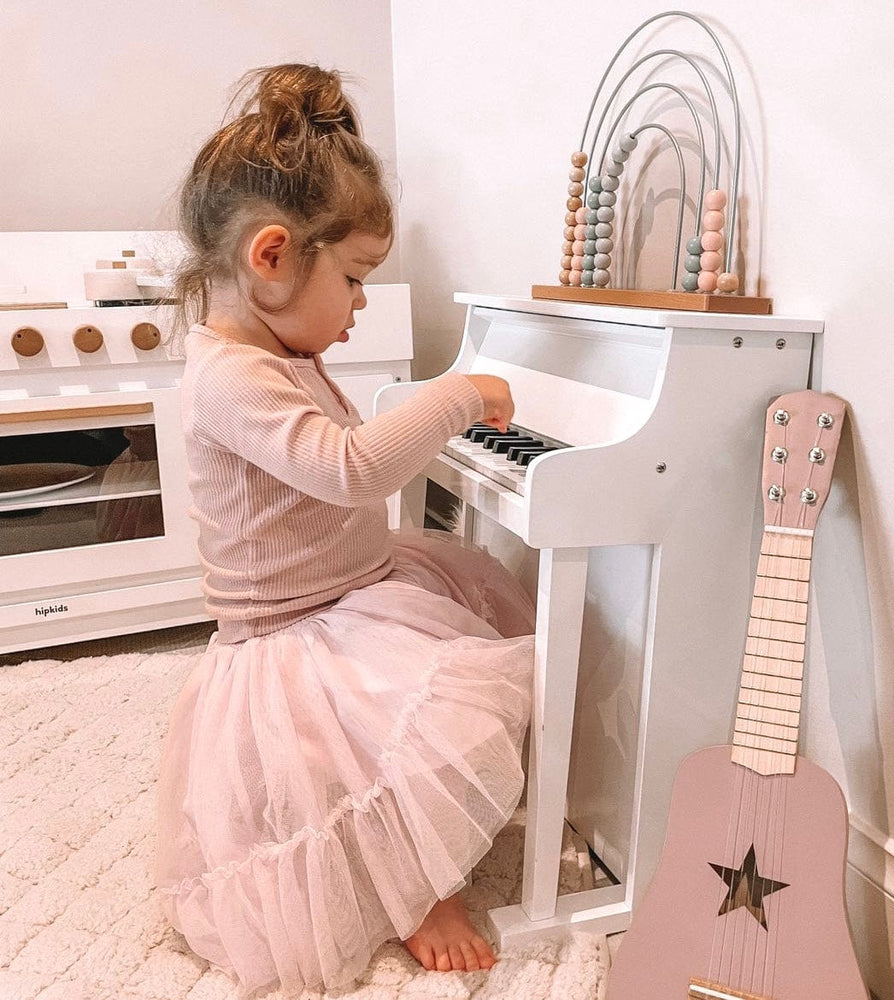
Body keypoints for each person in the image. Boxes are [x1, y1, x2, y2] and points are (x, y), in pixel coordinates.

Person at [154, 63, 535, 997]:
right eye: (356, 278)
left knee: (445, 685)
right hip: (289, 633)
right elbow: (351, 467)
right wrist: (459, 395)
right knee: (356, 754)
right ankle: (416, 889)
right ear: (272, 257)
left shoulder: (276, 348)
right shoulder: (228, 376)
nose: (361, 303)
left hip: (354, 588)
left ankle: (422, 845)